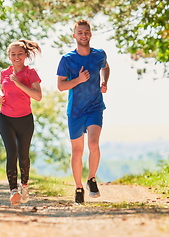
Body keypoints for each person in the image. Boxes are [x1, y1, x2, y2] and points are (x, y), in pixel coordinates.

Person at [56, 20, 110, 204]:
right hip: (76, 111)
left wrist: (105, 82)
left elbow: (106, 67)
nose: (83, 35)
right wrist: (78, 80)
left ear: (90, 34)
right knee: (77, 151)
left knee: (93, 144)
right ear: (74, 36)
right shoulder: (67, 59)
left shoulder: (99, 54)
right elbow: (61, 86)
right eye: (80, 32)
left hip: (95, 107)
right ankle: (78, 187)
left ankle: (91, 179)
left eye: (86, 32)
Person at [0, 39, 42, 206]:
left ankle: (24, 185)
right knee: (12, 152)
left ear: (25, 55)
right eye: (13, 54)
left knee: (23, 156)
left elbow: (38, 96)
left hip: (25, 120)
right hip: (5, 118)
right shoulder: (4, 73)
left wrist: (18, 83)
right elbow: (3, 89)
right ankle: (13, 190)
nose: (16, 57)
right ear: (9, 56)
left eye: (19, 54)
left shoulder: (31, 73)